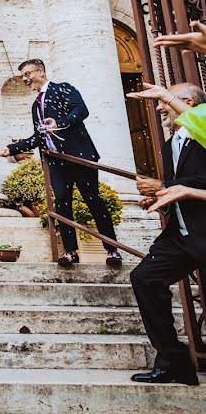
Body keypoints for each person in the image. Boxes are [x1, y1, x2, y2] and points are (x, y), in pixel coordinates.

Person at [0, 59, 123, 267]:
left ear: (41, 71)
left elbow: (81, 110)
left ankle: (112, 250)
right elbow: (39, 136)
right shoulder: (36, 106)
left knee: (94, 201)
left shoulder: (63, 89)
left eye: (28, 74)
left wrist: (60, 123)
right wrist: (13, 148)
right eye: (23, 77)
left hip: (79, 156)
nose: (25, 79)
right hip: (56, 162)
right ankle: (70, 252)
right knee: (62, 203)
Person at [124, 82, 206, 385]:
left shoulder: (204, 136)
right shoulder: (170, 144)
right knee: (144, 278)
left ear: (186, 102)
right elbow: (180, 185)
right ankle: (174, 361)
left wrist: (165, 187)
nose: (159, 109)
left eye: (163, 101)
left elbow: (197, 181)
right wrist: (158, 198)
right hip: (181, 235)